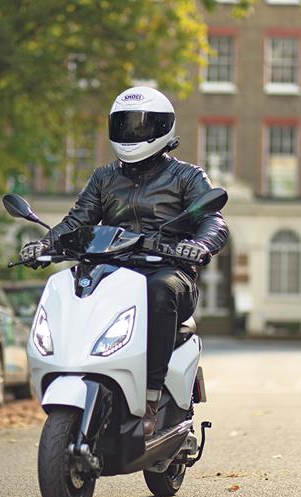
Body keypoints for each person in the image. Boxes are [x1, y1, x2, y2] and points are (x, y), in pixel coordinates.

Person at [19, 86, 228, 438]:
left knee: (159, 291)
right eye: (126, 126)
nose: (133, 134)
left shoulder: (187, 177)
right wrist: (45, 243)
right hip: (114, 273)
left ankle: (149, 396)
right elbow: (77, 221)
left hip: (169, 272)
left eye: (142, 126)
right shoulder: (104, 177)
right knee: (74, 287)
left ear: (163, 129)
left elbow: (214, 220)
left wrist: (198, 244)